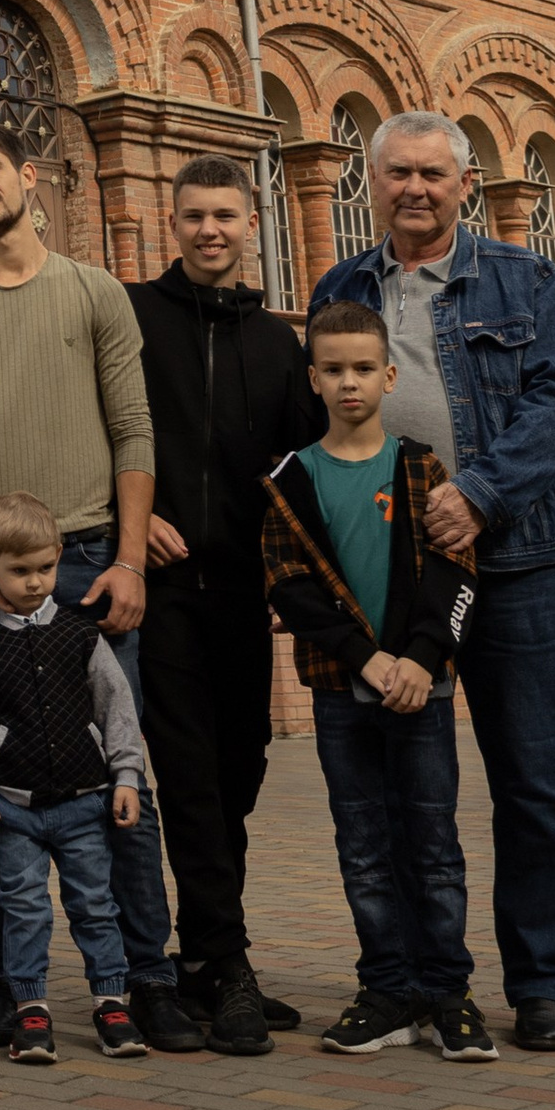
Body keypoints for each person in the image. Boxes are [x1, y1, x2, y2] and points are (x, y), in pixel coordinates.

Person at [0, 110, 203, 1054]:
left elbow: (134, 430)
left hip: (89, 563)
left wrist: (124, 557)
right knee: (8, 777)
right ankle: (11, 983)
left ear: (28, 176)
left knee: (121, 772)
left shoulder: (93, 293)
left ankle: (147, 979)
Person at [309, 110, 555, 1051]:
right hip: (389, 580)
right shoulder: (341, 287)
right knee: (404, 793)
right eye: (397, 173)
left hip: (507, 562)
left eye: (434, 174)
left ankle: (542, 984)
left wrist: (477, 493)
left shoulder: (526, 279)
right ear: (372, 180)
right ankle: (418, 981)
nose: (415, 189)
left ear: (465, 184)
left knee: (529, 779)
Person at [127, 154, 323, 1056]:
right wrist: (142, 519)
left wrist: (296, 577)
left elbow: (303, 472)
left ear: (252, 227)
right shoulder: (132, 319)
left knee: (240, 772)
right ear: (173, 224)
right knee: (192, 776)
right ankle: (225, 959)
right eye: (195, 215)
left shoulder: (279, 345)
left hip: (245, 595)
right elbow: (102, 425)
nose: (210, 230)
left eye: (226, 217)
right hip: (162, 590)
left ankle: (208, 958)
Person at [262, 302, 489, 1060]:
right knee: (363, 844)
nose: (349, 382)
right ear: (313, 380)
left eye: (363, 368)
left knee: (432, 843)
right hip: (341, 692)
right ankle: (388, 991)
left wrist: (421, 660)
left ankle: (447, 994)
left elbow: (456, 571)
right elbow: (291, 587)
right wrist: (368, 658)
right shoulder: (290, 481)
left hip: (423, 693)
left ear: (390, 376)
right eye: (333, 370)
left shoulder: (422, 467)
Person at [0, 491, 150, 1064]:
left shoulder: (83, 635)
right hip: (13, 812)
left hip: (87, 806)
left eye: (45, 568)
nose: (35, 582)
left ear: (59, 556)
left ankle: (112, 1003)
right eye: (19, 571)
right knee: (24, 908)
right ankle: (30, 1010)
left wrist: (127, 776)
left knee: (95, 906)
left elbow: (117, 709)